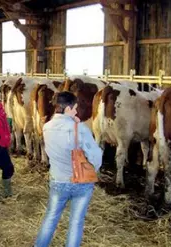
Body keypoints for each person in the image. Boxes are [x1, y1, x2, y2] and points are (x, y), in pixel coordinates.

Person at [34, 92, 103, 247]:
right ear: (67, 109)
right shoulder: (80, 128)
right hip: (81, 182)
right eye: (75, 109)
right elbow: (95, 155)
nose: (76, 112)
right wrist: (94, 168)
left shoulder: (46, 127)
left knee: (51, 217)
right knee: (76, 222)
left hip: (58, 180)